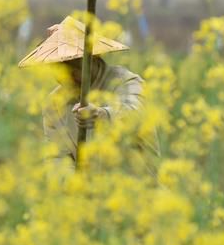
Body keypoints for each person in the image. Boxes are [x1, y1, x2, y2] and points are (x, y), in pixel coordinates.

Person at [18, 16, 146, 164]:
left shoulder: (125, 81)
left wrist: (101, 115)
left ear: (94, 58)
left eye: (75, 67)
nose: (69, 77)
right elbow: (57, 158)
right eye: (60, 71)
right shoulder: (54, 103)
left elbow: (136, 113)